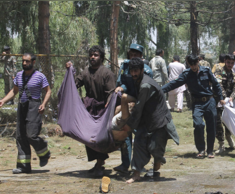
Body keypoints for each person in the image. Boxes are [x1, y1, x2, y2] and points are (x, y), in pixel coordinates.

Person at [121, 58, 179, 184]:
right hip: (146, 119)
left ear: (142, 70)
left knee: (155, 149)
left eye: (136, 71)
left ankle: (157, 162)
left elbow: (138, 108)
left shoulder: (146, 85)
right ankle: (136, 174)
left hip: (158, 120)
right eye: (132, 71)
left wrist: (129, 125)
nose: (134, 74)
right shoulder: (136, 80)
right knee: (139, 144)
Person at [0, 53, 51, 174]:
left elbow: (48, 91)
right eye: (23, 61)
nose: (24, 63)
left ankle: (44, 151)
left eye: (27, 61)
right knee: (20, 136)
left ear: (33, 62)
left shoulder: (40, 76)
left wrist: (44, 104)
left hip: (34, 106)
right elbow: (14, 91)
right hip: (22, 106)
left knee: (31, 135)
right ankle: (24, 166)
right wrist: (3, 101)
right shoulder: (19, 75)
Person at [162, 54, 225, 158]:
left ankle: (209, 151)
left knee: (211, 126)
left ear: (198, 62)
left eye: (195, 64)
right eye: (191, 65)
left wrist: (221, 98)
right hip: (197, 103)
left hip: (209, 101)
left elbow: (216, 84)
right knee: (198, 124)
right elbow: (174, 83)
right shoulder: (186, 74)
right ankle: (201, 149)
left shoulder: (206, 70)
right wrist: (161, 90)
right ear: (188, 64)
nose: (194, 67)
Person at [74, 45, 116, 177]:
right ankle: (97, 163)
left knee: (100, 138)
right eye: (91, 55)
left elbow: (111, 93)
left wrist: (109, 109)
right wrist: (70, 71)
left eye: (96, 55)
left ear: (101, 58)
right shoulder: (85, 72)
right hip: (89, 108)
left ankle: (100, 163)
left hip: (102, 109)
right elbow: (74, 83)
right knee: (88, 137)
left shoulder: (107, 73)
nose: (92, 57)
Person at [114, 43, 153, 174]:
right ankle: (125, 164)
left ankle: (139, 164)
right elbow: (122, 83)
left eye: (136, 54)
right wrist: (121, 88)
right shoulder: (124, 67)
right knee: (125, 134)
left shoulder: (146, 70)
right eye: (131, 53)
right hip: (127, 105)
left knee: (141, 136)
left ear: (141, 56)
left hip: (142, 107)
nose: (133, 56)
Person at [213, 54, 235, 153]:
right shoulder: (219, 71)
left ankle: (229, 137)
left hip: (228, 103)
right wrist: (222, 97)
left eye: (232, 63)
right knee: (218, 123)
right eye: (228, 62)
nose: (230, 65)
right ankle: (221, 144)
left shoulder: (233, 74)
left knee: (228, 122)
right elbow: (218, 85)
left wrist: (231, 97)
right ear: (225, 61)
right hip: (218, 102)